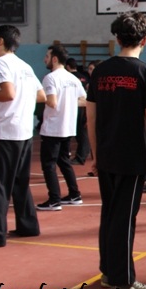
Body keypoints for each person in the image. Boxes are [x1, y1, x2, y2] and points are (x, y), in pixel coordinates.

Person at [87, 11, 146, 289]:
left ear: (117, 38)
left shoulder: (100, 71)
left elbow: (91, 119)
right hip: (131, 158)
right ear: (144, 40)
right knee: (124, 218)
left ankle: (109, 271)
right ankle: (122, 279)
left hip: (106, 156)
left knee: (110, 214)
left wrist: (95, 156)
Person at [0, 25, 46, 247]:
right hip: (24, 131)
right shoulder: (24, 66)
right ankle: (28, 226)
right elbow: (41, 96)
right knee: (20, 183)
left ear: (1, 41)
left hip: (5, 132)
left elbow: (8, 93)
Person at [35, 45, 87, 211]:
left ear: (54, 59)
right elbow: (84, 100)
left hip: (53, 127)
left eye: (47, 56)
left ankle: (54, 199)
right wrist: (70, 103)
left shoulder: (50, 78)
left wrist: (31, 97)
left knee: (48, 164)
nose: (45, 59)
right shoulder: (73, 79)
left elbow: (52, 102)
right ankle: (74, 194)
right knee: (64, 162)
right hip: (68, 127)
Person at [68, 58, 91, 165]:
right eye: (89, 69)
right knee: (81, 134)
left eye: (92, 69)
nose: (90, 71)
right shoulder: (84, 77)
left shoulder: (70, 78)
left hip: (80, 107)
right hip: (83, 107)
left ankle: (81, 156)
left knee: (82, 134)